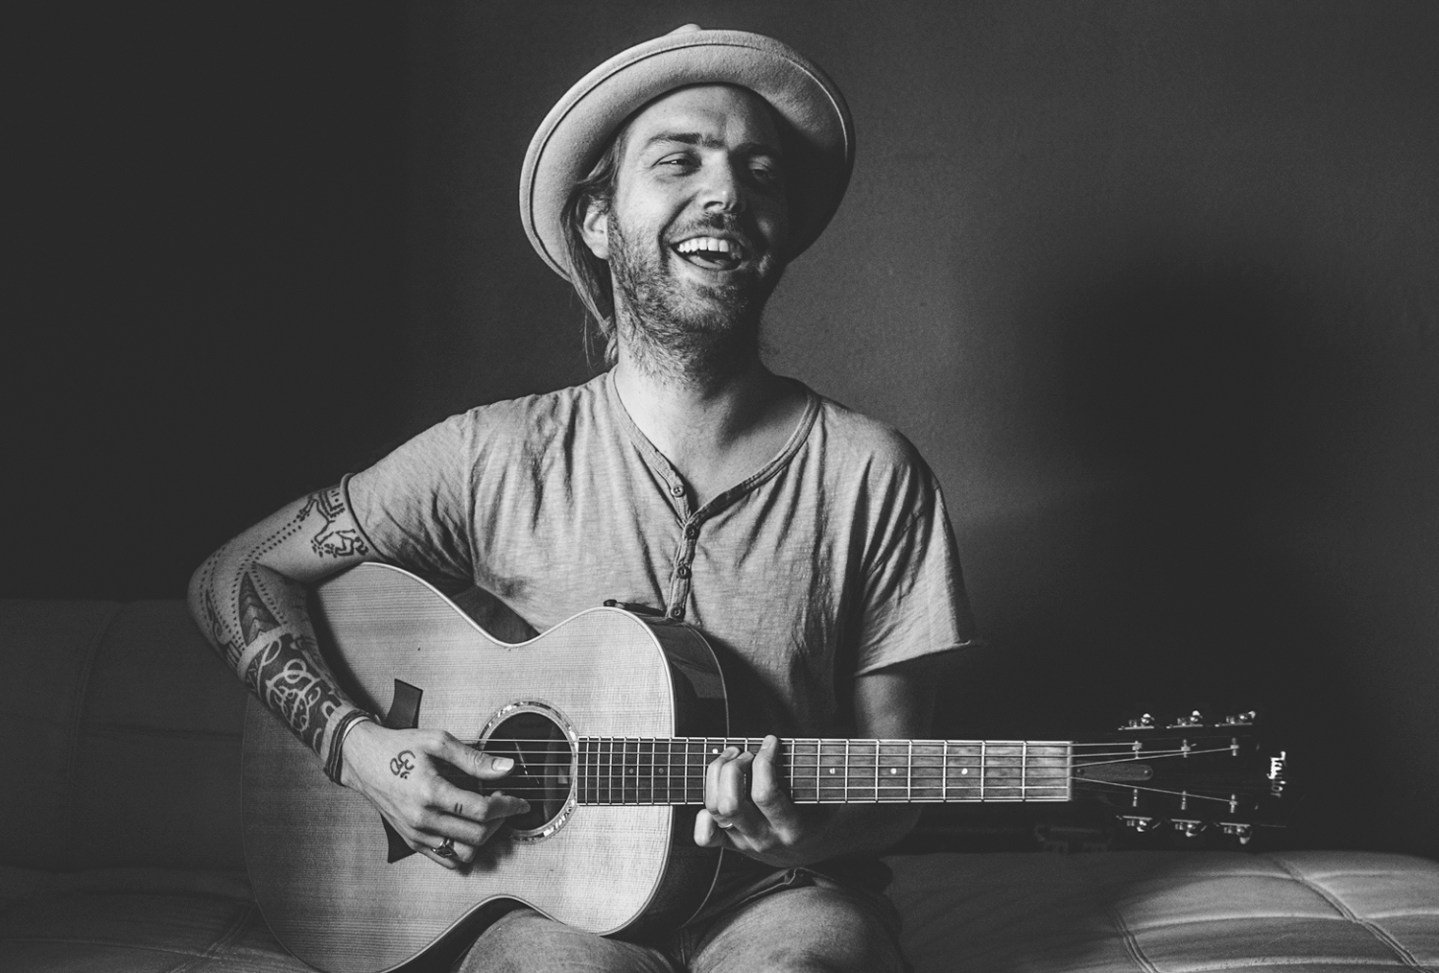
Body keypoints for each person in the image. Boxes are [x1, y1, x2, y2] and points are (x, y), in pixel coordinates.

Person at [189, 25, 976, 973]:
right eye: (679, 160)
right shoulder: (488, 453)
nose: (726, 192)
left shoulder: (873, 472)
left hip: (782, 901)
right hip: (545, 911)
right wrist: (359, 747)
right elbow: (234, 571)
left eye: (759, 173)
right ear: (599, 220)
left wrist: (810, 832)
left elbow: (899, 779)